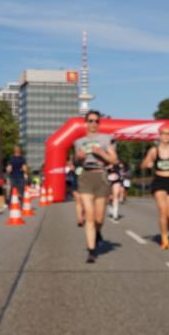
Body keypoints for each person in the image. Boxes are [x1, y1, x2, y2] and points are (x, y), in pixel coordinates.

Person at [73, 110, 118, 263]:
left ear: (99, 123)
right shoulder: (79, 142)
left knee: (99, 217)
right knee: (89, 215)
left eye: (96, 121)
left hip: (101, 176)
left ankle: (97, 232)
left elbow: (114, 160)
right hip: (86, 176)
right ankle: (91, 250)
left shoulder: (106, 139)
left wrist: (102, 154)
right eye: (90, 121)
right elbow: (76, 162)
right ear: (86, 123)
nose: (93, 124)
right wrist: (78, 158)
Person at [141, 126, 169, 249]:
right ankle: (164, 239)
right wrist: (148, 164)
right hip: (159, 181)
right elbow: (143, 165)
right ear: (159, 136)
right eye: (164, 134)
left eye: (168, 134)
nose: (166, 136)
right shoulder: (154, 151)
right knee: (163, 211)